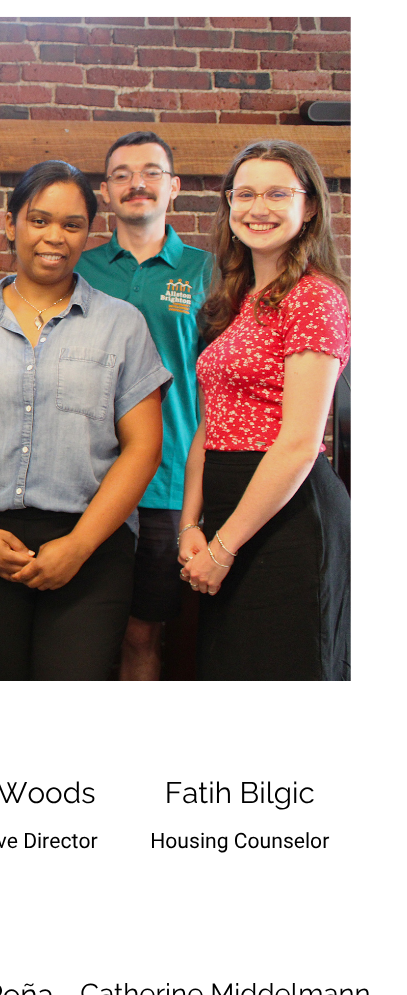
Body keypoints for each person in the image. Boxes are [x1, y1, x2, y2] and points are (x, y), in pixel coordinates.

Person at [0, 160, 168, 681]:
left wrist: (79, 545)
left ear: (88, 233)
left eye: (71, 224)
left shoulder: (121, 325)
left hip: (93, 542)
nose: (54, 236)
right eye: (39, 220)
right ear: (10, 224)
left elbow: (144, 446)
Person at [179, 140, 350, 680]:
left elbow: (299, 444)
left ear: (310, 207)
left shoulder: (314, 297)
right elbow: (210, 425)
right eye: (245, 194)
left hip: (286, 515)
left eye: (278, 194)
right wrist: (190, 523)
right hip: (228, 510)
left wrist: (223, 548)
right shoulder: (238, 299)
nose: (259, 208)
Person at [77, 131, 212, 680]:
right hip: (84, 479)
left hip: (167, 482)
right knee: (81, 627)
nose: (137, 183)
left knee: (143, 632)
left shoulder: (208, 271)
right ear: (105, 192)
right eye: (122, 175)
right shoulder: (79, 269)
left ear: (174, 186)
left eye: (151, 172)